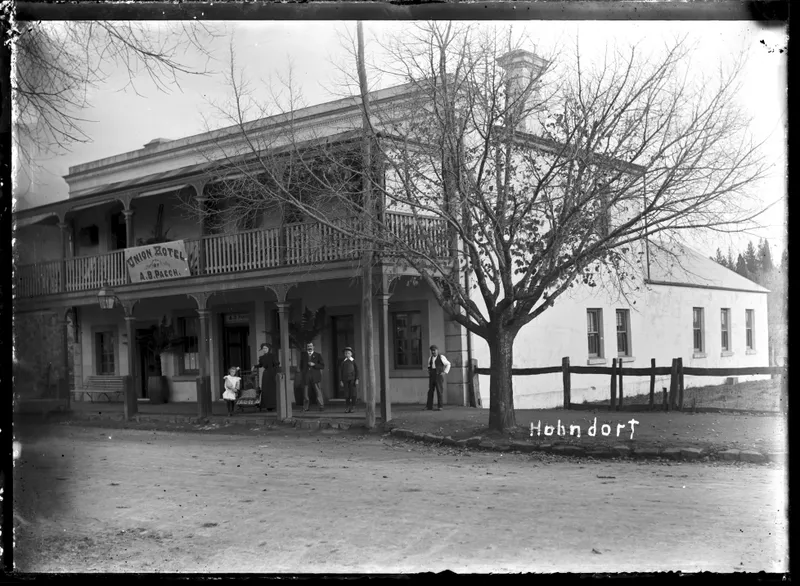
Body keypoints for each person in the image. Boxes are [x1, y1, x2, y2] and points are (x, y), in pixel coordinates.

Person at [299, 342, 325, 412]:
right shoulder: (303, 355)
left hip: (315, 376)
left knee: (318, 391)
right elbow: (301, 366)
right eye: (308, 346)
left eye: (310, 346)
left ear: (313, 347)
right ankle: (305, 407)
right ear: (306, 347)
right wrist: (303, 373)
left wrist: (314, 364)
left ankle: (321, 406)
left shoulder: (318, 355)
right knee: (305, 393)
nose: (309, 347)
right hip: (306, 376)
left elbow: (322, 366)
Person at [424, 345, 450, 411]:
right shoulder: (430, 358)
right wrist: (429, 371)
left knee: (439, 390)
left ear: (437, 350)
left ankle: (440, 406)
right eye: (432, 351)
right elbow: (429, 366)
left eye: (434, 350)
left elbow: (448, 364)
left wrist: (445, 372)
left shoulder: (441, 357)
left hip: (439, 375)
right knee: (430, 391)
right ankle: (429, 406)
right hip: (432, 375)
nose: (433, 352)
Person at [258, 342, 280, 411]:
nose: (264, 349)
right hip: (266, 374)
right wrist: (255, 366)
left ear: (269, 349)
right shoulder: (262, 357)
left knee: (272, 389)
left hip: (273, 373)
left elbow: (276, 364)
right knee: (266, 390)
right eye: (263, 348)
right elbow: (260, 365)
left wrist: (276, 373)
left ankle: (274, 405)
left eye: (266, 348)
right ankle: (267, 406)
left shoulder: (273, 356)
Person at [339, 346, 359, 413]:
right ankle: (347, 407)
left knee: (353, 393)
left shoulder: (353, 361)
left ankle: (353, 406)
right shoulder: (343, 362)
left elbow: (357, 371)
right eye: (346, 353)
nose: (347, 354)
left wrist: (357, 379)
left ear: (351, 354)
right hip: (345, 380)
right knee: (346, 394)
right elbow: (341, 372)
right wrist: (341, 380)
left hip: (352, 380)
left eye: (348, 353)